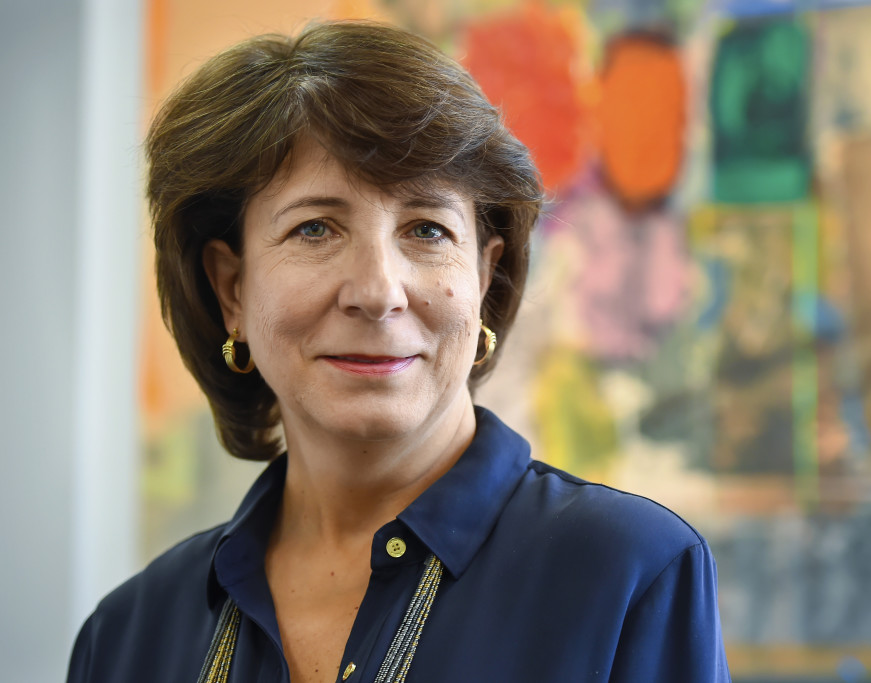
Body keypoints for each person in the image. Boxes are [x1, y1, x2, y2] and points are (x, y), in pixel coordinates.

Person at [67, 21, 730, 683]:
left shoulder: (628, 574)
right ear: (232, 288)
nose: (379, 291)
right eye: (316, 228)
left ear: (484, 275)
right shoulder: (129, 635)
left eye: (426, 228)